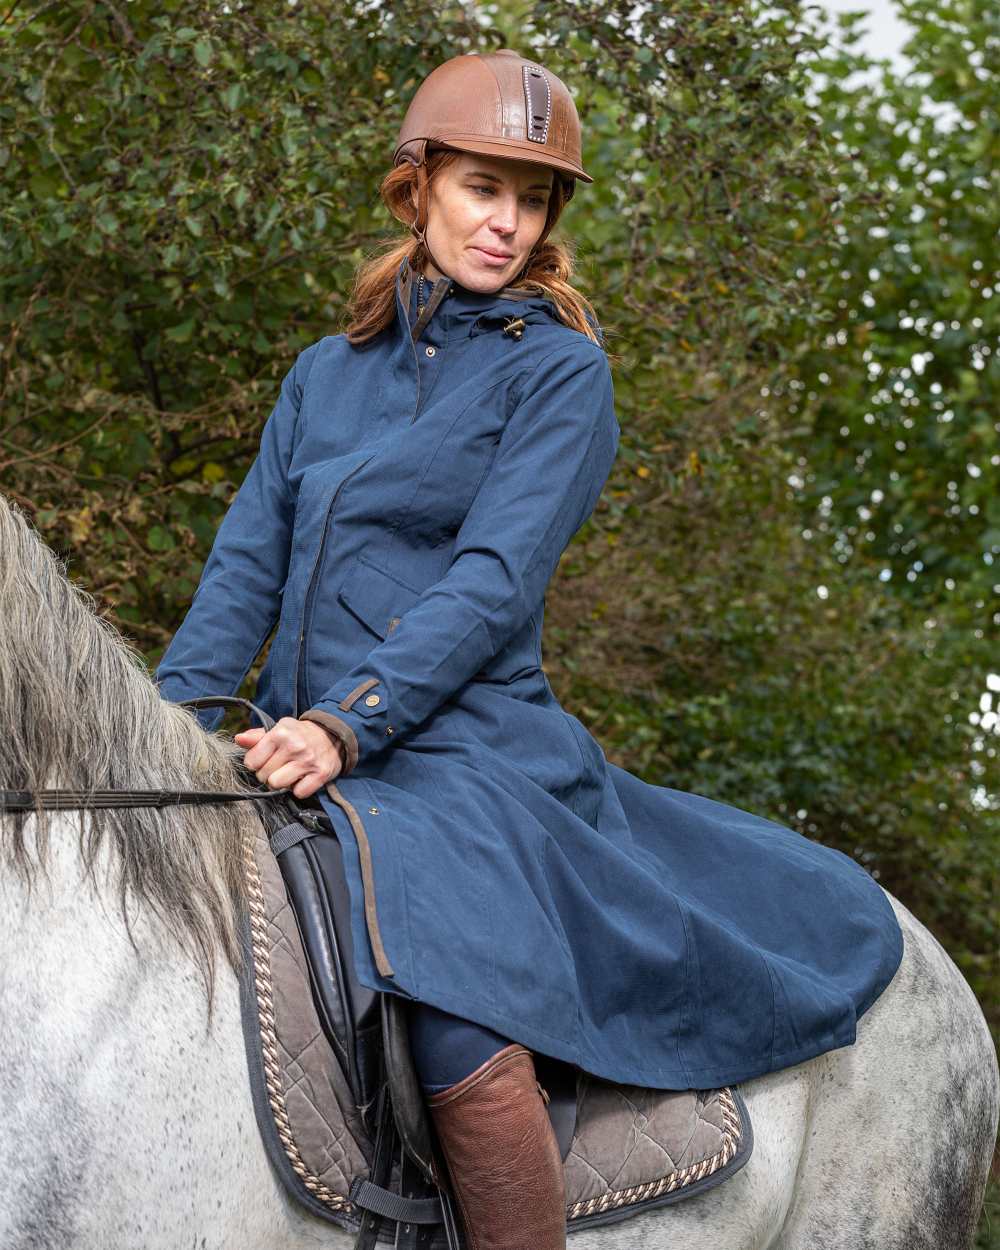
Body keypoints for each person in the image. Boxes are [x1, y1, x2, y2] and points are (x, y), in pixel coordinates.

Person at [155, 49, 904, 1250]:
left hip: (463, 751)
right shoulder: (321, 376)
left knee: (450, 996)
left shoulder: (561, 372)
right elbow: (248, 559)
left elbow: (493, 582)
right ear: (419, 189)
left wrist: (348, 719)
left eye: (532, 197)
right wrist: (179, 720)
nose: (507, 223)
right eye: (481, 189)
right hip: (293, 744)